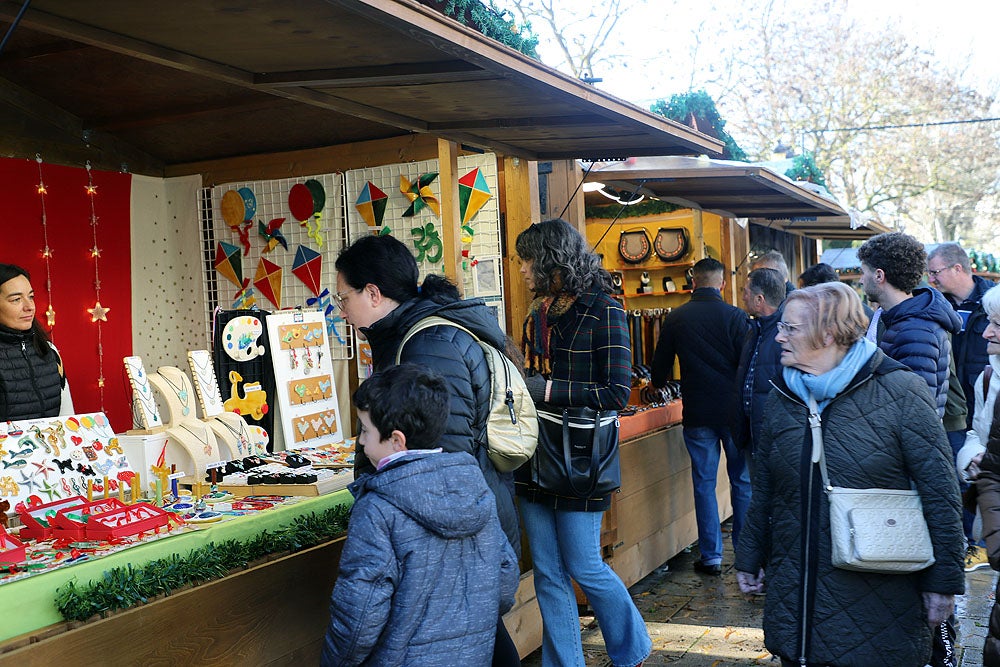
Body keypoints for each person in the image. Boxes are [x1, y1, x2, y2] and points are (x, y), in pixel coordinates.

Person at [735, 282, 965, 667]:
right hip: (797, 597)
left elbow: (940, 491)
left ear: (828, 333)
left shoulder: (901, 391)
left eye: (790, 328)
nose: (779, 335)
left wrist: (943, 582)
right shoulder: (783, 396)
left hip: (878, 599)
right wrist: (749, 554)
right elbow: (766, 489)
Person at [334, 234, 521, 666]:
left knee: (473, 638)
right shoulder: (412, 336)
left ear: (374, 293)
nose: (342, 311)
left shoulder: (428, 345)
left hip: (451, 529)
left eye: (345, 298)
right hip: (459, 524)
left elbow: (444, 461)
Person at [514, 218, 651, 667]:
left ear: (551, 261)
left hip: (580, 455)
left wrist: (549, 390)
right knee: (548, 573)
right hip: (535, 451)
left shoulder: (605, 309)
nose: (521, 271)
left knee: (584, 565)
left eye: (526, 261)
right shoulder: (539, 313)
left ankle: (632, 650)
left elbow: (615, 392)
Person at [321, 363, 519, 666]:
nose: (360, 441)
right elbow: (504, 582)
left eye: (365, 430)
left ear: (397, 441)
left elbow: (359, 614)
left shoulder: (378, 509)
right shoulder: (476, 490)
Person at [651, 257, 752, 575]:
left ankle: (711, 556)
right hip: (734, 413)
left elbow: (659, 371)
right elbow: (748, 364)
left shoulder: (677, 317)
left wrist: (658, 384)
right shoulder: (736, 317)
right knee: (742, 482)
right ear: (721, 283)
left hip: (697, 412)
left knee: (704, 484)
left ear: (693, 282)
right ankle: (747, 555)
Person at [929, 242, 996, 569]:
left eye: (936, 272)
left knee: (982, 477)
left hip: (984, 405)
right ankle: (973, 543)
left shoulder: (991, 303)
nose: (932, 279)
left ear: (958, 269)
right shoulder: (937, 305)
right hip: (957, 408)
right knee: (962, 475)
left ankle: (983, 544)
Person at [858, 232, 962, 418]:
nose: (860, 280)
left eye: (863, 272)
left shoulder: (916, 331)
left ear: (879, 275)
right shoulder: (901, 320)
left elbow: (916, 411)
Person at [955, 284, 1000, 665]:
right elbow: (975, 433)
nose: (986, 332)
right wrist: (973, 457)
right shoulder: (987, 378)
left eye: (997, 325)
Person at [0, 263, 72, 421]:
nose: (29, 306)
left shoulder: (48, 349)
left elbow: (67, 418)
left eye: (31, 297)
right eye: (16, 299)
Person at [733, 267, 786, 469]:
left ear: (759, 299)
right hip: (753, 436)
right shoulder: (754, 330)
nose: (743, 297)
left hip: (774, 440)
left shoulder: (785, 334)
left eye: (746, 291)